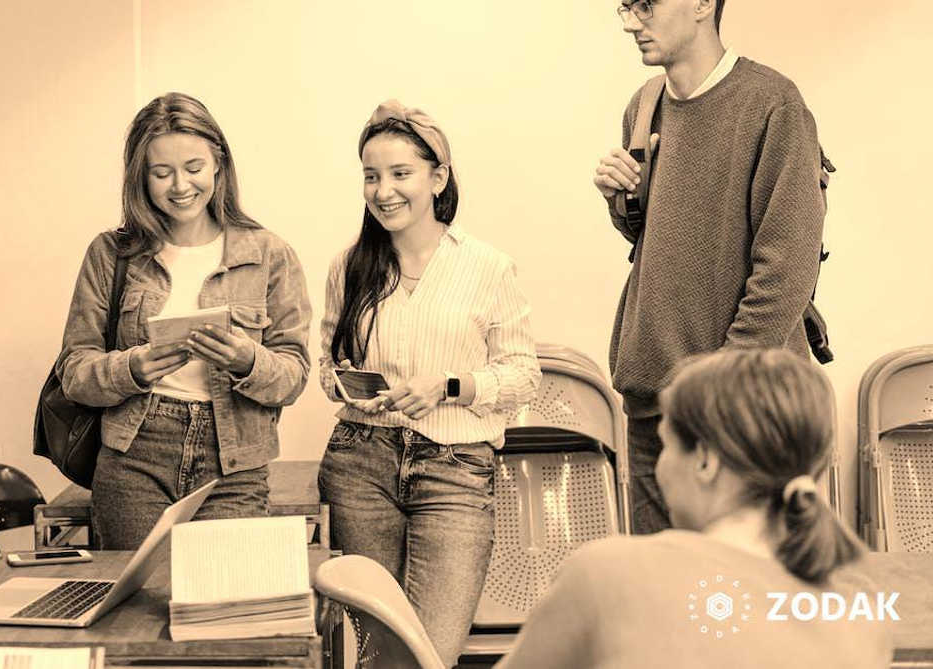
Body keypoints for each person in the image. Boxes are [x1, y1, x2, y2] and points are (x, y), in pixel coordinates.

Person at [318, 99, 541, 668]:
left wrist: (449, 385)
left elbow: (523, 373)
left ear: (437, 178)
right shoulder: (350, 267)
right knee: (371, 650)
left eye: (400, 174)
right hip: (359, 464)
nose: (383, 190)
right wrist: (342, 382)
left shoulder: (489, 267)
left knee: (428, 654)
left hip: (456, 468)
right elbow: (326, 362)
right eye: (371, 176)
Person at [497, 348, 890, 669]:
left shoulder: (605, 575)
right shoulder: (863, 618)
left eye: (666, 445)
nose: (659, 467)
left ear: (705, 460)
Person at [593, 0, 828, 534]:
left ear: (702, 4)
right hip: (653, 399)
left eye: (646, 5)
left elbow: (788, 266)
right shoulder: (643, 105)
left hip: (741, 411)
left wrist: (717, 393)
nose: (631, 21)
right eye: (625, 7)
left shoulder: (773, 103)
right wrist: (619, 199)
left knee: (746, 600)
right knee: (666, 594)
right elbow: (659, 239)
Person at [59, 92, 312, 550]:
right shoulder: (110, 254)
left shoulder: (269, 255)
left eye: (193, 167)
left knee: (223, 608)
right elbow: (75, 372)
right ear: (141, 177)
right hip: (134, 454)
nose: (180, 186)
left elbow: (293, 377)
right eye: (162, 172)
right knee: (135, 610)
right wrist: (131, 369)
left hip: (235, 461)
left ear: (218, 163)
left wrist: (246, 360)